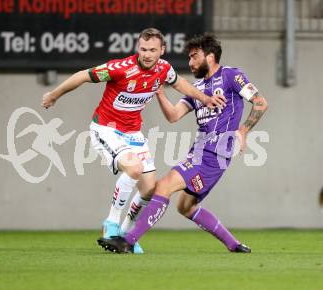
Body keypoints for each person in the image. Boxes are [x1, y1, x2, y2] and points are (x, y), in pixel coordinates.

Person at [42, 28, 225, 253]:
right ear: (138, 48)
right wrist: (54, 95)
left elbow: (180, 84)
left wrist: (206, 99)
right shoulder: (120, 68)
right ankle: (111, 224)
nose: (147, 54)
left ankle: (126, 237)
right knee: (134, 168)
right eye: (143, 49)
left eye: (152, 50)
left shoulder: (163, 69)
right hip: (106, 129)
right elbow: (82, 75)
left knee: (150, 189)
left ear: (162, 50)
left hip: (133, 134)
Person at [98, 34, 268, 253]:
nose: (190, 62)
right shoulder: (196, 88)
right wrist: (159, 92)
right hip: (199, 151)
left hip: (215, 151)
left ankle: (128, 241)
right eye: (189, 57)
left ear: (211, 56)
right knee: (185, 207)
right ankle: (234, 245)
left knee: (162, 186)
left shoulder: (231, 75)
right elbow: (173, 116)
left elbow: (261, 103)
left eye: (194, 56)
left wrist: (243, 131)